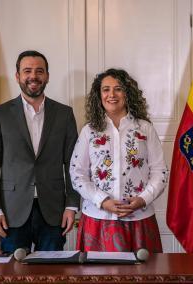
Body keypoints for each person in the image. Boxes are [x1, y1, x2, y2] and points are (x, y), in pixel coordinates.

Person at [0, 50, 80, 253]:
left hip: (54, 211)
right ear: (17, 76)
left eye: (39, 71)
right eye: (27, 71)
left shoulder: (64, 114)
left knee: (52, 275)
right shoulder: (0, 114)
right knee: (14, 275)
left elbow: (73, 163)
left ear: (47, 76)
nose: (33, 76)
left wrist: (72, 205)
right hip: (11, 212)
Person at [70, 68, 168, 253]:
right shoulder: (89, 131)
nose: (111, 95)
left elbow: (159, 172)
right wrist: (102, 200)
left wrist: (142, 199)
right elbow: (77, 174)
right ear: (99, 95)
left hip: (140, 219)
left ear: (127, 93)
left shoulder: (144, 128)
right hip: (98, 220)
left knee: (142, 276)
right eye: (106, 89)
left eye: (118, 89)